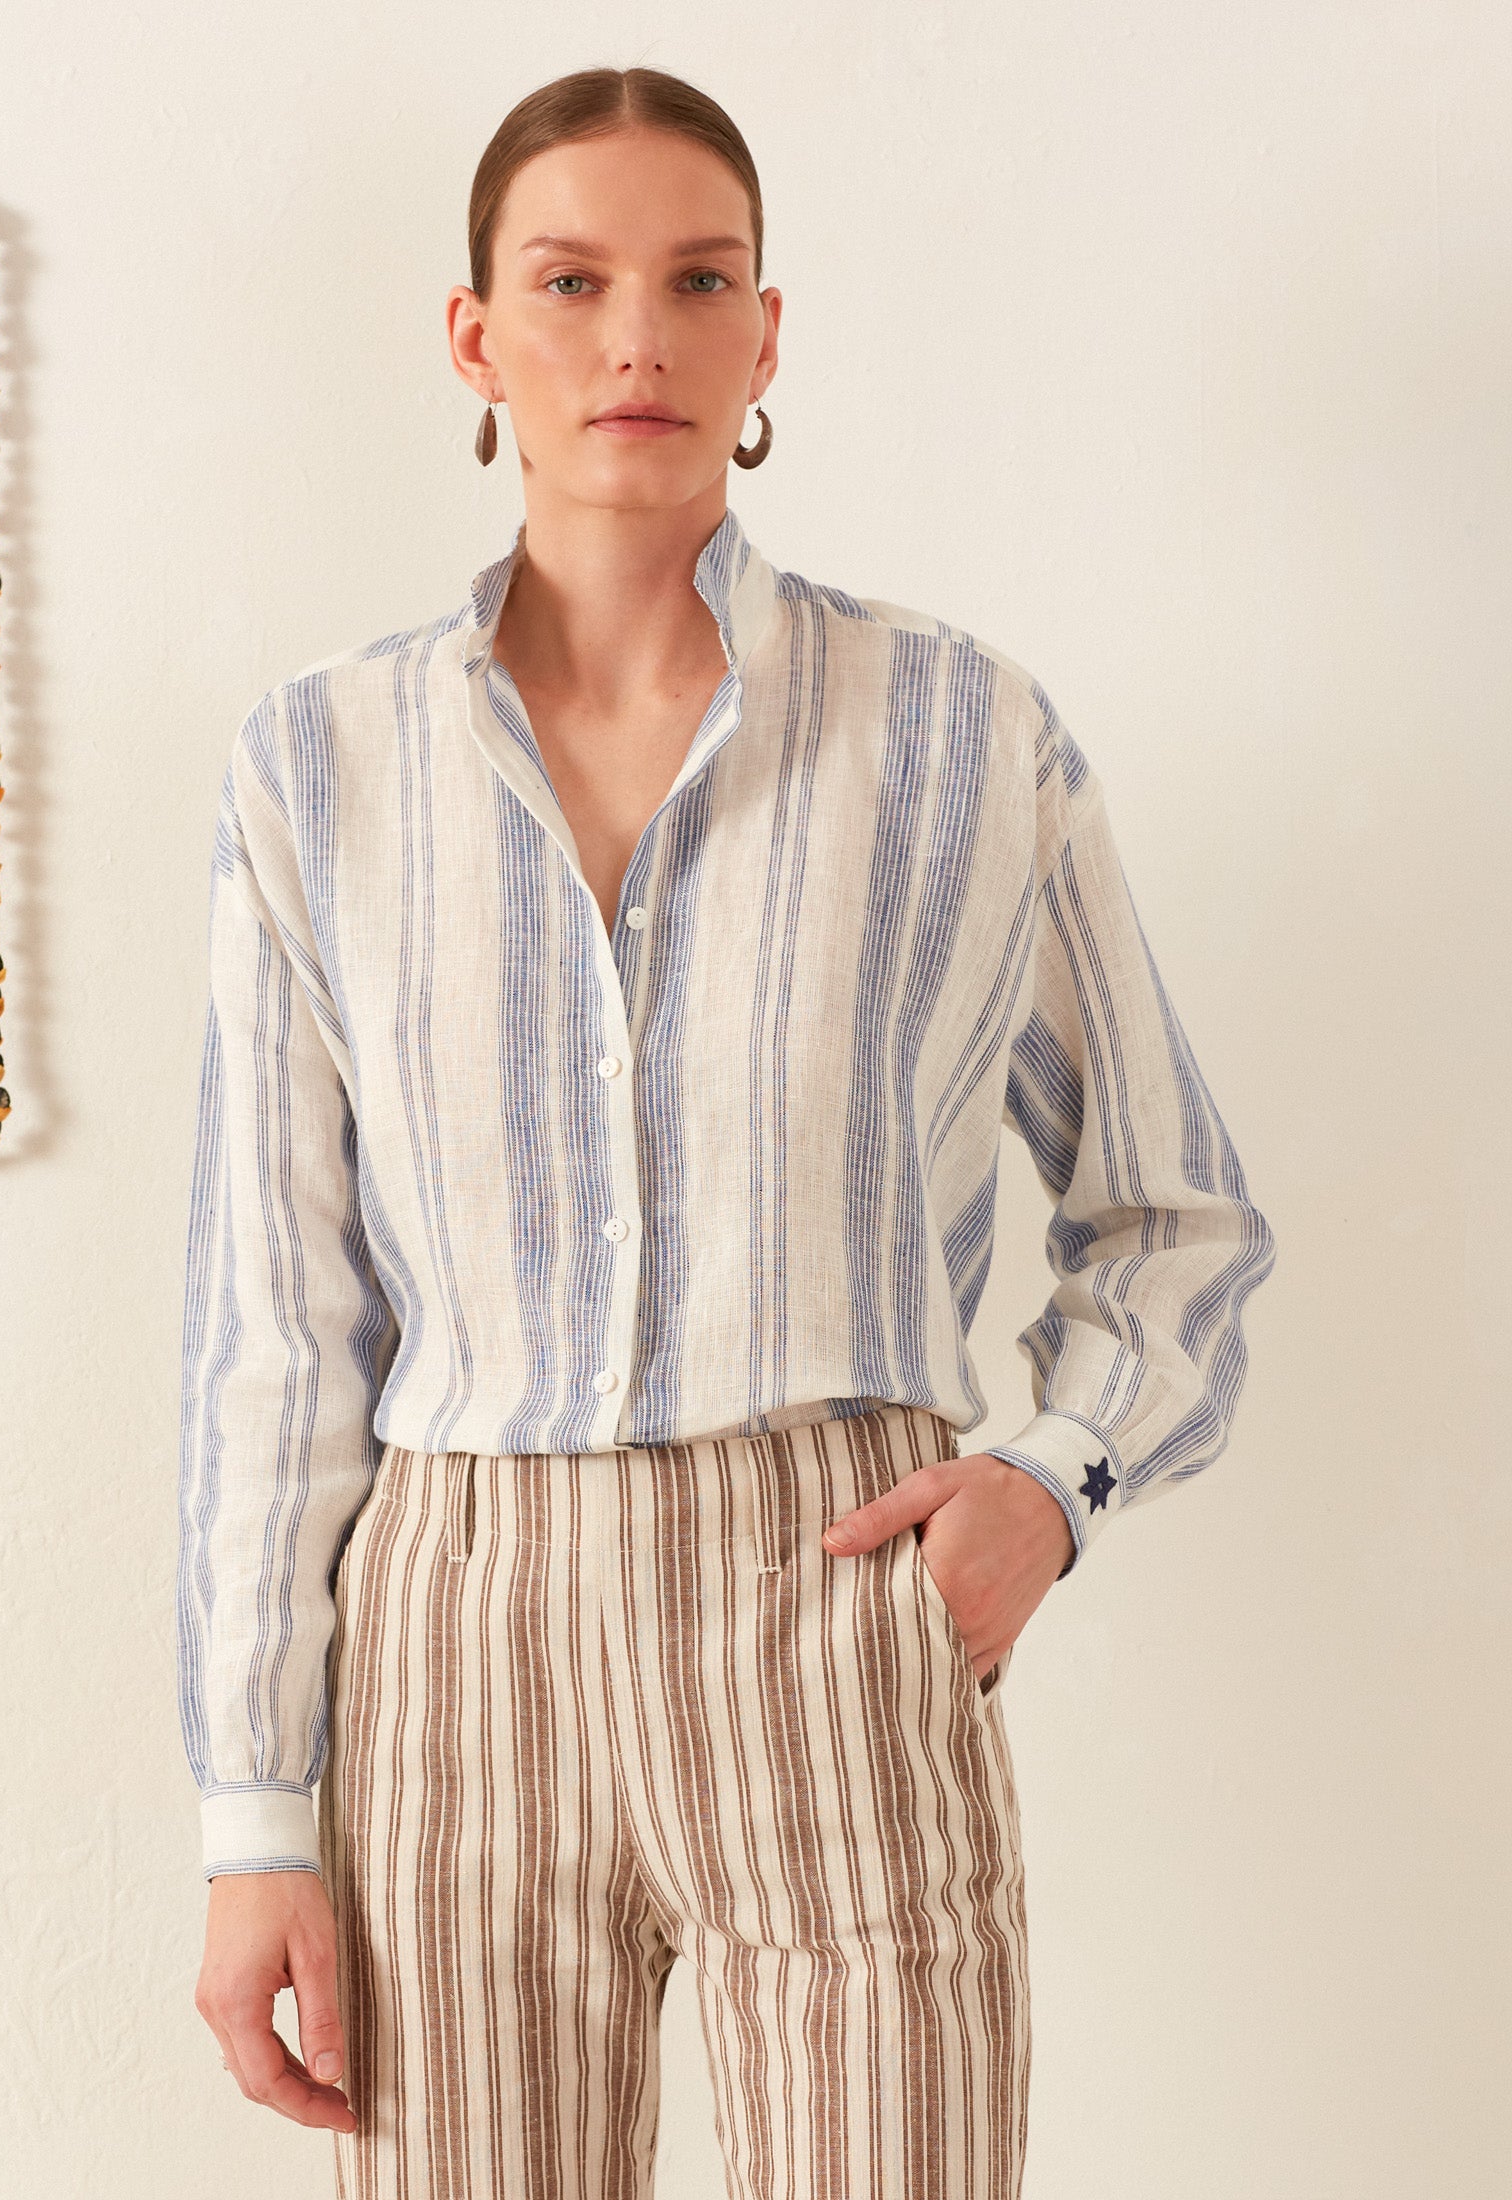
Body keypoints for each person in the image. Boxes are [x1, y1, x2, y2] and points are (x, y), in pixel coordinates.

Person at [177, 64, 1276, 2200]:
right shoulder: (316, 765)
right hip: (453, 1625)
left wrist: (1041, 1488)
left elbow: (1172, 1210)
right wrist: (253, 1812)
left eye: (696, 281)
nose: (635, 339)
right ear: (475, 338)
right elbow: (275, 1322)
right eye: (569, 280)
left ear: (765, 336)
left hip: (835, 1590)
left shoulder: (958, 734)